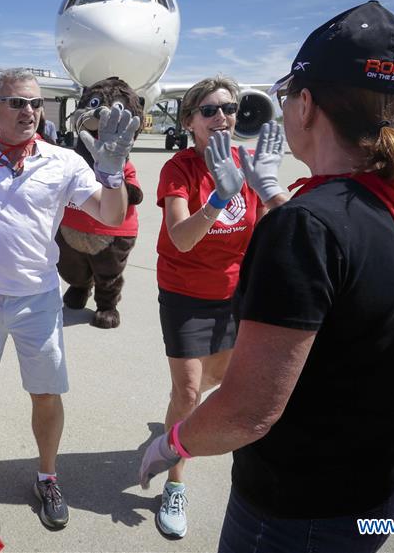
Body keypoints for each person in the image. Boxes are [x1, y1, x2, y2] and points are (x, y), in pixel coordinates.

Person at [139, 0, 394, 552]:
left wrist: (174, 444)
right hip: (387, 481)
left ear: (307, 104)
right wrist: (270, 195)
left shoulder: (305, 226)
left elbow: (247, 413)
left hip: (303, 506)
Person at [0, 67, 138, 530]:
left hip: (36, 300)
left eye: (35, 103)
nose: (30, 111)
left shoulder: (64, 162)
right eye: (18, 102)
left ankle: (47, 475)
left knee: (45, 393)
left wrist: (112, 175)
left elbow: (111, 215)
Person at [151, 75, 287, 538]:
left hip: (234, 294)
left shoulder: (248, 162)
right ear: (190, 120)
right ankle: (174, 481)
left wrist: (270, 192)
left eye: (228, 109)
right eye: (208, 110)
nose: (221, 117)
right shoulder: (179, 168)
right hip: (185, 292)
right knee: (189, 392)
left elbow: (268, 232)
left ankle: (177, 415)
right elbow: (182, 239)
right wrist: (217, 199)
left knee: (217, 381)